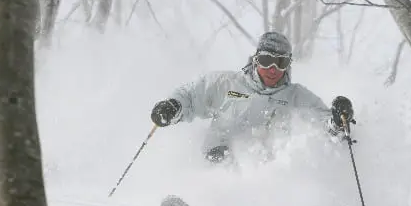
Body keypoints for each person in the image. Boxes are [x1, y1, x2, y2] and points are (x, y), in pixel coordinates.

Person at [150, 31, 355, 164]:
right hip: (217, 157)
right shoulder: (226, 83)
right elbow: (192, 96)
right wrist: (173, 107)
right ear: (256, 60)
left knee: (263, 162)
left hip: (264, 171)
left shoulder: (297, 96)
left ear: (288, 65)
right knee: (227, 161)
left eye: (280, 63)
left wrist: (338, 120)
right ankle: (207, 205)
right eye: (266, 61)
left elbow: (323, 126)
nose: (273, 69)